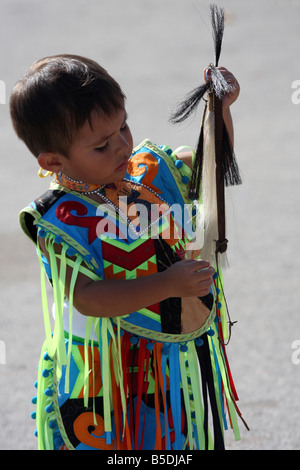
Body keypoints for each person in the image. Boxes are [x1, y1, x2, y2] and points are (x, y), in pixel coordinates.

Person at [11, 54, 242, 450]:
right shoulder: (59, 221)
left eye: (124, 127)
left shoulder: (148, 173)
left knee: (171, 441)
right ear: (53, 161)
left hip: (170, 362)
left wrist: (218, 110)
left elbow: (209, 170)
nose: (122, 146)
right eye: (102, 145)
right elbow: (87, 297)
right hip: (105, 374)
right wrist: (167, 284)